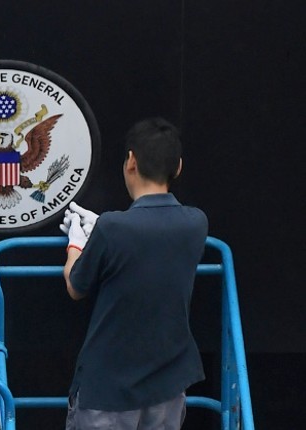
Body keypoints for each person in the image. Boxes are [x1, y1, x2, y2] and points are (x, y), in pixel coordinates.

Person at [60, 117, 208, 430]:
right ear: (178, 167)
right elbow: (151, 237)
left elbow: (76, 286)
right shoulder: (197, 223)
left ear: (131, 161)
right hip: (168, 385)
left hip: (107, 391)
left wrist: (77, 244)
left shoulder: (113, 228)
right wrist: (102, 230)